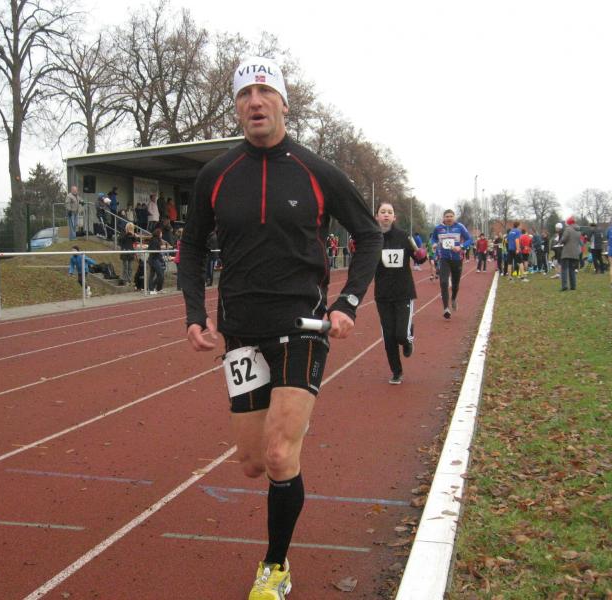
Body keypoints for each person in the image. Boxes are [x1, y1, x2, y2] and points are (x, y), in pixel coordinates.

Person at [179, 55, 382, 600]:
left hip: (302, 327)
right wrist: (195, 314)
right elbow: (192, 247)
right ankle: (285, 432)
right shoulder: (217, 175)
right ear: (237, 107)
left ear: (284, 104)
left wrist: (348, 302)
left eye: (265, 92)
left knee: (277, 454)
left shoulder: (316, 171)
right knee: (251, 464)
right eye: (245, 94)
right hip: (241, 333)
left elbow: (368, 234)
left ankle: (275, 567)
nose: (255, 102)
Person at [373, 202, 427, 384]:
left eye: (389, 212)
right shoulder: (372, 238)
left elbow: (419, 258)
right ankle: (396, 372)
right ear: (377, 217)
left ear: (394, 217)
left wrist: (421, 255)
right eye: (383, 212)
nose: (386, 215)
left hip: (403, 292)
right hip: (383, 294)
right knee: (388, 337)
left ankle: (408, 340)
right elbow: (364, 260)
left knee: (401, 334)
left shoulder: (404, 236)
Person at [430, 209, 473, 318]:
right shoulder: (438, 228)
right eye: (447, 216)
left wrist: (461, 247)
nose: (449, 218)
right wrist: (434, 244)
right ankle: (446, 308)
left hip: (457, 258)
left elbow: (469, 239)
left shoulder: (460, 227)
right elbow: (433, 238)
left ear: (454, 217)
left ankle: (453, 298)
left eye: (451, 216)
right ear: (443, 218)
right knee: (444, 282)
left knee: (455, 283)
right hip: (444, 258)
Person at [118, 222, 147, 287]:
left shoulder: (132, 234)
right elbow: (120, 241)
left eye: (131, 228)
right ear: (127, 228)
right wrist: (126, 234)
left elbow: (135, 241)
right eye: (129, 228)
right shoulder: (123, 233)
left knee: (130, 267)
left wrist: (134, 235)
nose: (130, 229)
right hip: (124, 252)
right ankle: (125, 280)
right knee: (125, 267)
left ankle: (129, 280)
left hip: (131, 252)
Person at [559, 216, 582, 291]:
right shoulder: (578, 231)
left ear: (569, 223)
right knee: (572, 269)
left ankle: (564, 286)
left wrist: (560, 242)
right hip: (575, 253)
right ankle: (573, 286)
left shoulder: (568, 229)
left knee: (564, 269)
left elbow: (564, 239)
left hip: (567, 252)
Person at [147, 227, 169, 295]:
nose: (162, 234)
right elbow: (153, 250)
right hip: (154, 259)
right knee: (160, 274)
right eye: (161, 233)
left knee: (154, 274)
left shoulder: (156, 240)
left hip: (155, 259)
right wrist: (160, 252)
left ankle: (157, 288)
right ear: (158, 233)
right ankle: (151, 288)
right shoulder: (154, 240)